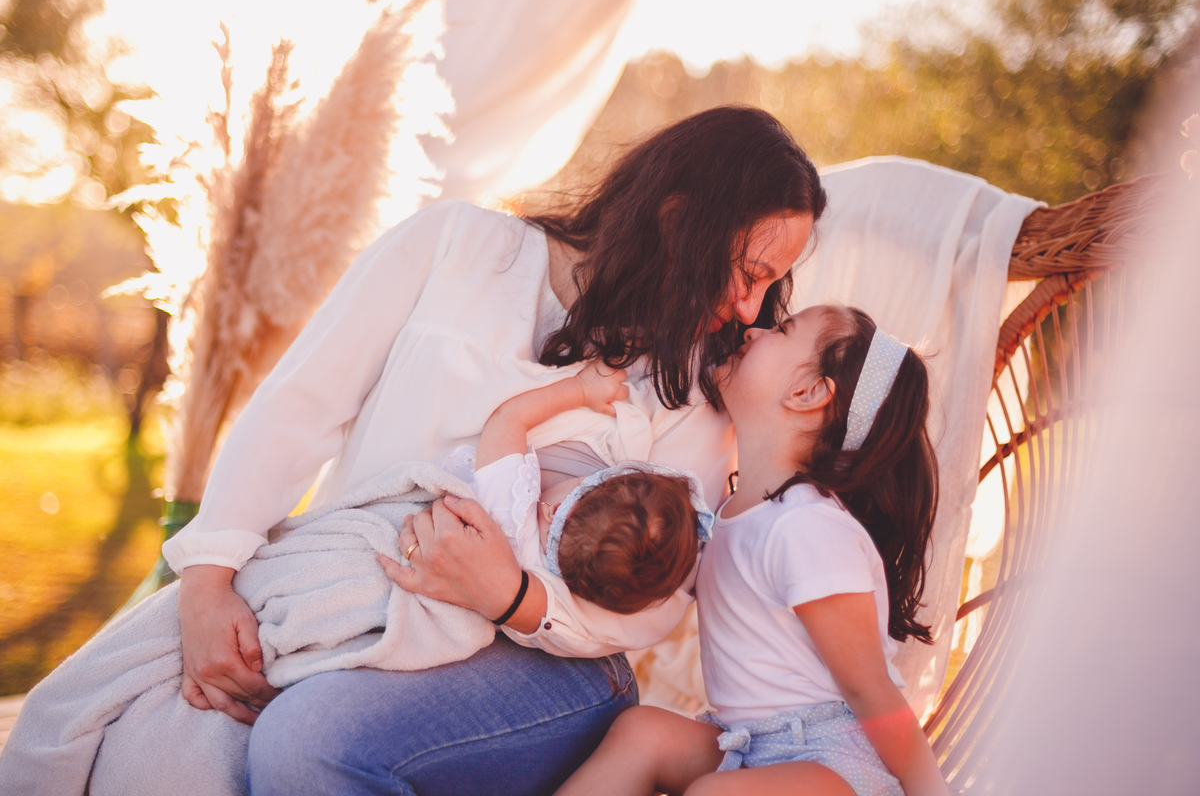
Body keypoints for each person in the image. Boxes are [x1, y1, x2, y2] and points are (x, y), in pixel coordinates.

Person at [166, 105, 826, 796]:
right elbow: (299, 406)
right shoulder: (454, 242)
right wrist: (208, 582)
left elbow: (655, 601)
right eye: (747, 272)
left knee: (308, 742)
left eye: (768, 283)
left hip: (549, 660)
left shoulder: (690, 383)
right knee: (150, 742)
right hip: (355, 600)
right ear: (676, 218)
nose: (752, 308)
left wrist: (508, 595)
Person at [554, 305, 950, 796]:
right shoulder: (725, 513)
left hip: (837, 766)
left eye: (782, 330)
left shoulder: (808, 527)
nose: (755, 329)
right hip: (748, 748)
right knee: (644, 733)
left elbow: (870, 689)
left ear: (806, 393)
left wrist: (929, 791)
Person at [387, 359, 716, 618]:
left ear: (559, 510)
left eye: (590, 480)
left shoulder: (507, 514)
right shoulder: (557, 583)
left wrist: (581, 389)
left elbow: (508, 419)